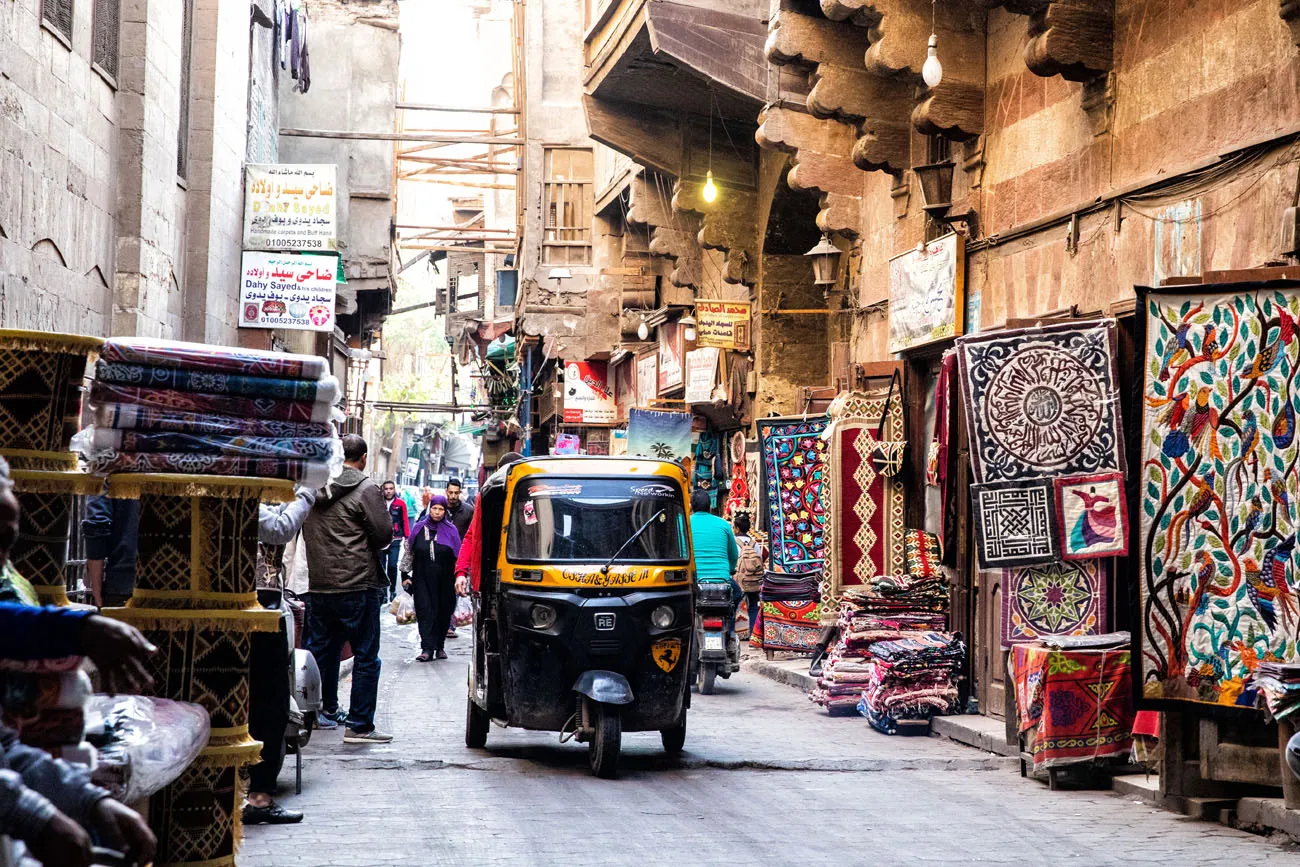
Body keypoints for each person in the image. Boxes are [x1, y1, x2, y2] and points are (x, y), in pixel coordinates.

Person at [301, 434, 394, 745]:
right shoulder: (367, 488)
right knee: (366, 655)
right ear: (364, 458)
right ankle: (360, 724)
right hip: (357, 585)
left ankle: (315, 714)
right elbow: (383, 536)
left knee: (320, 653)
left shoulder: (313, 487)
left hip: (320, 585)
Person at [244, 486, 315, 826]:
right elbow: (280, 527)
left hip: (257, 607)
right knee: (268, 703)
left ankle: (255, 793)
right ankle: (256, 795)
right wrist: (306, 493)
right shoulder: (237, 491)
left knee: (265, 705)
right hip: (256, 609)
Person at [399, 495, 461, 661]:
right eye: (434, 508)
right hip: (422, 579)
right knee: (425, 612)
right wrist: (405, 576)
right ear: (429, 508)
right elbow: (409, 553)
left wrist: (460, 577)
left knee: (442, 612)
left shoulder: (451, 531)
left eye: (441, 509)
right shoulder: (419, 528)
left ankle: (439, 646)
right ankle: (427, 648)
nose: (437, 512)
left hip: (445, 581)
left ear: (445, 511)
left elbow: (458, 556)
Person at [454, 452, 524, 597]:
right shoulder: (488, 495)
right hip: (494, 573)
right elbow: (473, 536)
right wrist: (461, 572)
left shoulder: (528, 496)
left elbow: (471, 536)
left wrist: (461, 573)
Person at [688, 489, 740, 627]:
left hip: (694, 581)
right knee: (737, 595)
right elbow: (734, 554)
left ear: (691, 506)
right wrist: (730, 569)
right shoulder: (723, 524)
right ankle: (730, 631)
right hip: (722, 580)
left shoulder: (685, 524)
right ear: (710, 505)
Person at [81, 494, 140, 607]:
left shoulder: (108, 476)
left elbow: (97, 524)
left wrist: (97, 594)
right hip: (178, 586)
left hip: (123, 584)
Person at [733, 512, 765, 636]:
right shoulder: (754, 543)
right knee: (753, 607)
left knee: (734, 606)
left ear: (737, 528)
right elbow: (760, 560)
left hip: (738, 579)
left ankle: (733, 633)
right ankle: (753, 634)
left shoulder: (734, 542)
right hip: (753, 580)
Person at [381, 480, 409, 603]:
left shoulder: (401, 504)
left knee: (392, 566)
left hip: (395, 539)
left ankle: (392, 590)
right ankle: (382, 592)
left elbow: (405, 521)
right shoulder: (378, 502)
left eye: (391, 488)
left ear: (394, 489)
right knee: (381, 566)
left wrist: (407, 538)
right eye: (386, 488)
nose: (388, 491)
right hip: (380, 540)